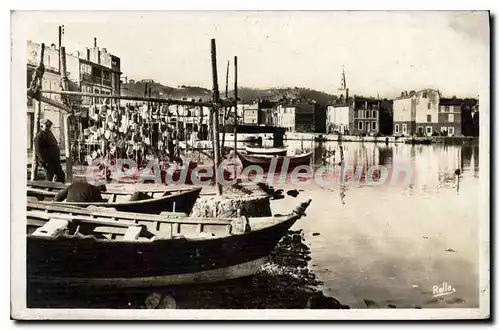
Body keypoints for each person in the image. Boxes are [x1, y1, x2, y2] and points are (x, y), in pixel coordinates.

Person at [34, 118, 65, 183]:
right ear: (41, 126)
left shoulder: (49, 133)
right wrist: (44, 161)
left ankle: (58, 189)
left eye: (49, 126)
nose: (48, 127)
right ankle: (47, 190)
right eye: (47, 126)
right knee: (49, 177)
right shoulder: (38, 137)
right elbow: (38, 151)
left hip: (55, 160)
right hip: (48, 161)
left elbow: (54, 143)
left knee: (61, 175)